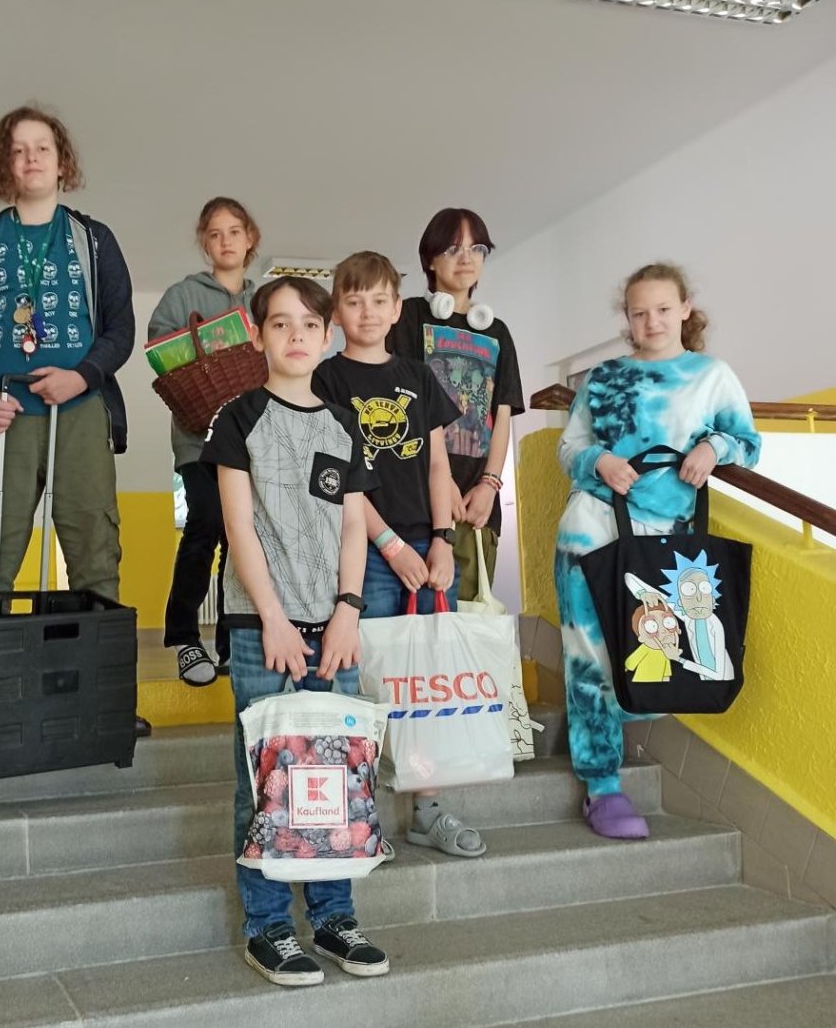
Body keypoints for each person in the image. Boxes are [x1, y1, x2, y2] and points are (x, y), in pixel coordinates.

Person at [201, 275, 389, 986]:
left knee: (334, 775)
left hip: (332, 625)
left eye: (309, 324)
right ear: (258, 336)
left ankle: (335, 917)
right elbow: (240, 527)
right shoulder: (238, 417)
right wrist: (274, 619)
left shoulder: (342, 423)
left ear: (327, 335)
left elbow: (351, 526)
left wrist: (348, 609)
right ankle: (269, 926)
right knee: (265, 779)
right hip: (263, 629)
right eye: (280, 324)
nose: (296, 335)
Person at [0, 104, 149, 737]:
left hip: (81, 411)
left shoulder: (94, 238)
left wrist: (83, 375)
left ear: (62, 162)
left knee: (95, 555)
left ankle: (105, 704)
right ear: (2, 164)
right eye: (17, 149)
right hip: (4, 418)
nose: (30, 158)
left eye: (42, 148)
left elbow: (121, 327)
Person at [554, 262, 760, 839]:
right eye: (639, 312)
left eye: (664, 309)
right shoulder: (603, 377)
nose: (652, 321)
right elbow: (570, 448)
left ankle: (612, 750)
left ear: (685, 309)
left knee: (659, 653)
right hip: (592, 531)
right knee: (588, 656)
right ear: (627, 317)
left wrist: (715, 448)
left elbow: (748, 442)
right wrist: (598, 460)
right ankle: (602, 785)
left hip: (668, 539)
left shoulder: (711, 375)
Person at [313, 251, 485, 858]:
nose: (367, 312)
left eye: (379, 300)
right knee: (366, 681)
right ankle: (357, 811)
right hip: (362, 549)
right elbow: (337, 476)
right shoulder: (327, 380)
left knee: (425, 682)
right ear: (337, 313)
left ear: (395, 310)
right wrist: (388, 543)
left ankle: (426, 809)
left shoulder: (418, 374)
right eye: (354, 301)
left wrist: (442, 539)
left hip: (427, 547)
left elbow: (438, 465)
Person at [148, 197, 259, 685]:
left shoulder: (264, 298)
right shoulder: (182, 295)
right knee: (207, 523)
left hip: (253, 445)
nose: (225, 241)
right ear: (204, 243)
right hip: (199, 439)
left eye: (234, 231)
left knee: (244, 538)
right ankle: (184, 637)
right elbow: (160, 349)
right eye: (215, 234)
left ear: (250, 238)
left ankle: (234, 641)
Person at [392, 207, 524, 606]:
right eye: (453, 249)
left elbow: (502, 414)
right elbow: (403, 404)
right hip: (418, 496)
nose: (466, 258)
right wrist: (440, 481)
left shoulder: (498, 332)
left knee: (469, 618)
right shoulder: (409, 317)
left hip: (477, 505)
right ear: (431, 260)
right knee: (416, 620)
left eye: (476, 248)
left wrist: (490, 485)